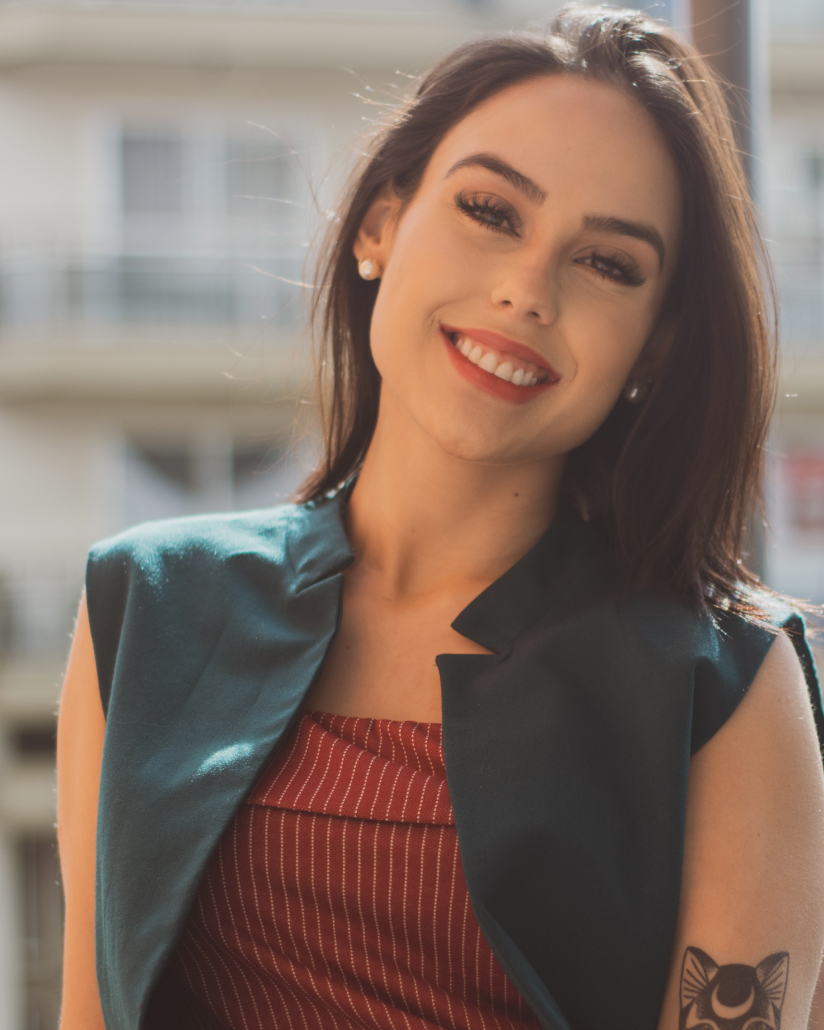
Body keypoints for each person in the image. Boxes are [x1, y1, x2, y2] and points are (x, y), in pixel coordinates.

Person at [57, 7, 824, 1030]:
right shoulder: (146, 605)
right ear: (381, 224)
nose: (524, 291)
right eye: (489, 211)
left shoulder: (727, 683)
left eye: (606, 263)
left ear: (654, 348)